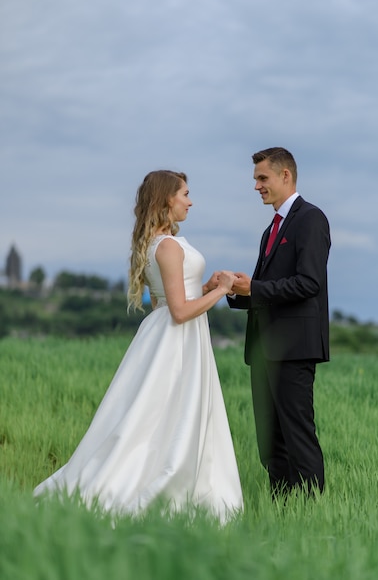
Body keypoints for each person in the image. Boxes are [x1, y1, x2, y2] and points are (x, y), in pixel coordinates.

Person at [34, 170, 243, 523]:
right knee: (165, 416)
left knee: (164, 416)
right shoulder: (169, 247)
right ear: (167, 200)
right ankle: (160, 489)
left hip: (176, 337)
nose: (190, 201)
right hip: (177, 340)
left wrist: (207, 287)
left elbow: (178, 297)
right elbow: (178, 311)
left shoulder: (163, 243)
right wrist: (223, 292)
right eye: (186, 194)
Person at [227, 147, 330, 498]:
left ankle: (313, 514)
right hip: (263, 349)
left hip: (294, 348)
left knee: (298, 437)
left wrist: (252, 287)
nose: (257, 186)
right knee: (270, 444)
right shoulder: (270, 229)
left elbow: (309, 283)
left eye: (262, 178)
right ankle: (283, 513)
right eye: (256, 179)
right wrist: (231, 290)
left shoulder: (311, 219)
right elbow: (264, 291)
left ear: (285, 175)